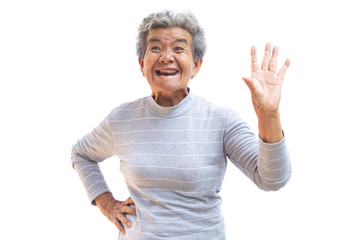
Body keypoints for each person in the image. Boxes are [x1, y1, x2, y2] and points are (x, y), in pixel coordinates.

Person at [71, 10, 292, 240]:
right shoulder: (122, 119)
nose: (166, 57)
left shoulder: (221, 120)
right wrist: (107, 203)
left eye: (178, 48)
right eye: (155, 48)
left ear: (196, 65)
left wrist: (269, 114)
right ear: (141, 63)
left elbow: (273, 179)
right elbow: (81, 153)